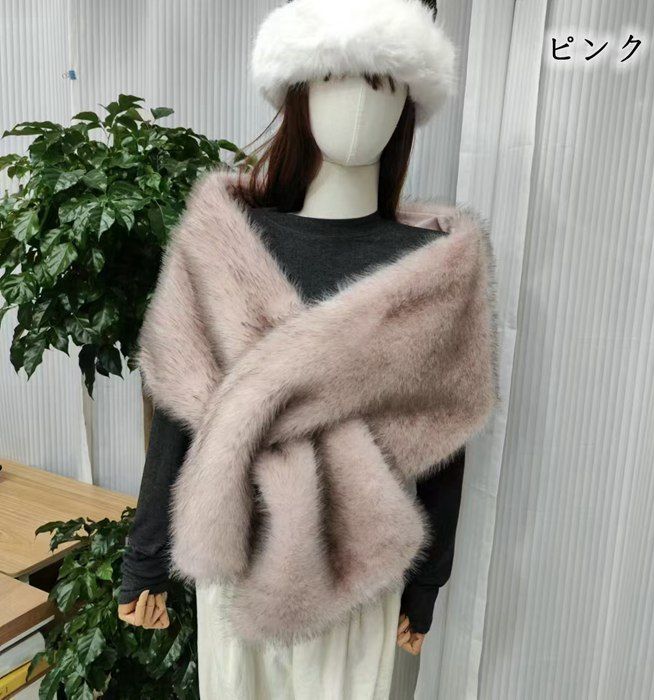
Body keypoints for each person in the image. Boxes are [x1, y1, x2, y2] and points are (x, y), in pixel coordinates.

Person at [117, 1, 493, 698]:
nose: (361, 106)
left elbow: (442, 440)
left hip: (358, 567)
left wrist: (427, 585)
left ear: (409, 103)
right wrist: (145, 560)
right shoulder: (224, 243)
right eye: (335, 78)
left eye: (384, 85)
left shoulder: (436, 270)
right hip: (234, 558)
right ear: (299, 92)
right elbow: (180, 411)